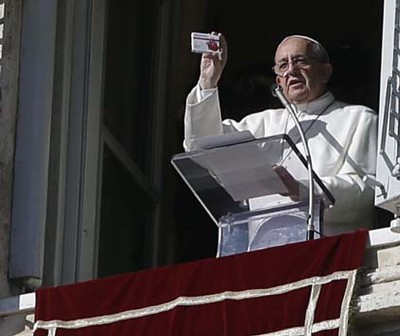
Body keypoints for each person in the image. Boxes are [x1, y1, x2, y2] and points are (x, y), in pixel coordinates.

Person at [183, 33, 378, 241]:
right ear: (278, 81)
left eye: (301, 61)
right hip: (265, 251)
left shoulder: (359, 119)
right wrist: (207, 83)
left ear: (325, 71)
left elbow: (367, 191)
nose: (291, 70)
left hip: (327, 249)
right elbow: (202, 146)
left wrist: (300, 188)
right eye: (283, 65)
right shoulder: (261, 123)